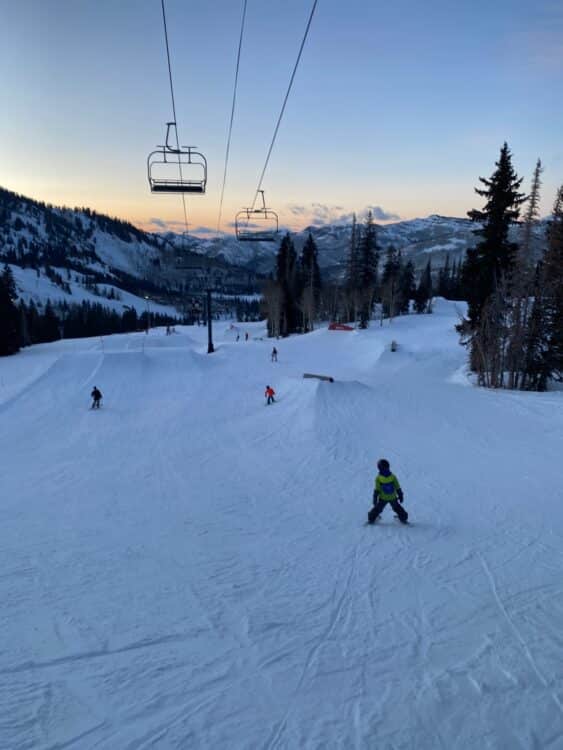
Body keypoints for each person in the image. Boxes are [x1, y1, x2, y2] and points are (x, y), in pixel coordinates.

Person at [367, 459, 408, 524]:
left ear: (379, 469)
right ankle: (403, 517)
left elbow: (377, 490)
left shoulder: (378, 478)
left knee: (377, 509)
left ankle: (371, 518)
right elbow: (398, 487)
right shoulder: (393, 477)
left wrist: (375, 498)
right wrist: (400, 495)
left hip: (383, 498)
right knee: (397, 508)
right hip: (392, 498)